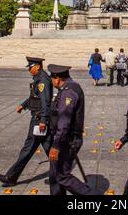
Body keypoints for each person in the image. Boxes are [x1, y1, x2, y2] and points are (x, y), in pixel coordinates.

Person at [0, 57, 53, 187]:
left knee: (28, 149)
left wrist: (43, 120)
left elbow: (45, 101)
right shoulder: (38, 78)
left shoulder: (42, 79)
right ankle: (60, 175)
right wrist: (23, 105)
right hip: (41, 119)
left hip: (39, 120)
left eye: (30, 67)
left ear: (38, 66)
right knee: (50, 149)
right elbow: (34, 97)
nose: (29, 69)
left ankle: (11, 177)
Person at [48, 64, 95, 195]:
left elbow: (64, 120)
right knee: (55, 175)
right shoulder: (67, 88)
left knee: (61, 175)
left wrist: (56, 145)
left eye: (52, 79)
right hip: (66, 138)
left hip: (67, 140)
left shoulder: (69, 91)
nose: (52, 82)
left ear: (57, 78)